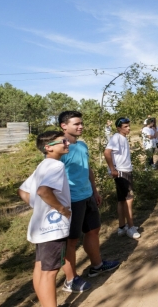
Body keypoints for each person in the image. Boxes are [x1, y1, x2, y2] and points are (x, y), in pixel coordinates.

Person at [57, 111, 120, 293]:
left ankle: (97, 265)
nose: (81, 126)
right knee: (71, 240)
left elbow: (87, 169)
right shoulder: (59, 148)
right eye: (76, 124)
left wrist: (94, 191)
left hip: (87, 196)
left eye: (81, 123)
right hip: (71, 201)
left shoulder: (82, 145)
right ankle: (70, 280)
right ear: (64, 126)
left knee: (93, 230)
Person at [18, 131, 71, 307]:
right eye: (63, 141)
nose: (67, 143)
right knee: (50, 272)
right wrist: (61, 208)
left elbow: (23, 191)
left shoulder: (42, 166)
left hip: (39, 227)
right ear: (48, 147)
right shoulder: (56, 166)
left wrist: (38, 206)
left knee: (40, 269)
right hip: (53, 229)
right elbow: (43, 191)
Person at [104, 118, 141, 239]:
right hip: (122, 172)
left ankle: (122, 227)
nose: (128, 128)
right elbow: (107, 152)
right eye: (125, 126)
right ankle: (131, 227)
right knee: (129, 199)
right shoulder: (116, 137)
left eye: (129, 126)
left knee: (121, 200)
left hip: (124, 170)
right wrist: (113, 169)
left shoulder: (122, 137)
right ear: (119, 128)